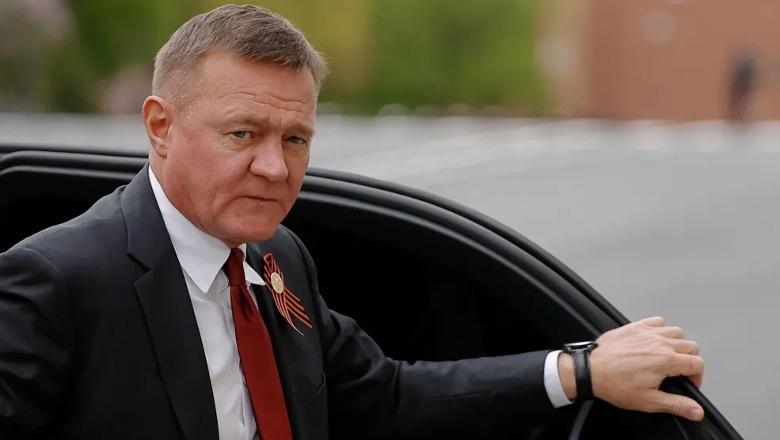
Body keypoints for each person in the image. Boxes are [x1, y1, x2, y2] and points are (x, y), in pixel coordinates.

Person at [0, 4, 704, 439]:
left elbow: (385, 397)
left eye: (295, 139)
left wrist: (580, 370)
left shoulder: (278, 259)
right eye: (243, 134)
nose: (275, 168)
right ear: (161, 126)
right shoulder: (59, 281)